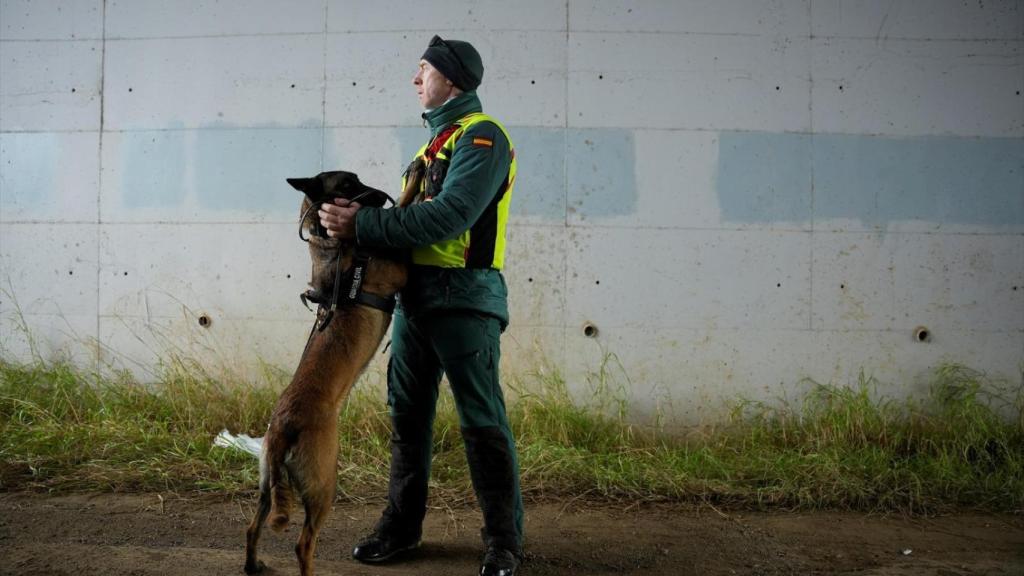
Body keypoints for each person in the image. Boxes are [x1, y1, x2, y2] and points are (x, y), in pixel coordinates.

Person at [317, 35, 523, 576]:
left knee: (481, 420)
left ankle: (504, 543)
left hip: (464, 299)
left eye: (424, 70)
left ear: (451, 80)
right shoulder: (431, 146)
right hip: (414, 299)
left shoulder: (484, 137)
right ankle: (402, 528)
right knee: (407, 417)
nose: (415, 79)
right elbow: (409, 224)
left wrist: (361, 223)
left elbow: (448, 216)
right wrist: (351, 214)